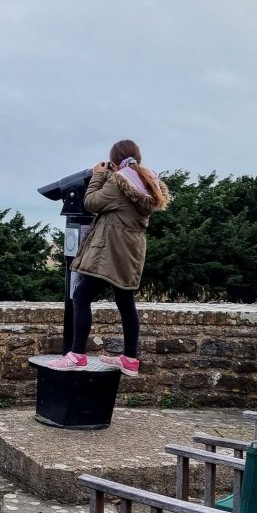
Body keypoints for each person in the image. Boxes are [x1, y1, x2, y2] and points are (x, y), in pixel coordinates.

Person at [48, 139, 169, 375]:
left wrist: (98, 175)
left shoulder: (119, 181)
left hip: (111, 250)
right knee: (126, 302)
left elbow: (91, 202)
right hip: (131, 250)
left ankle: (76, 355)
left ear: (114, 160)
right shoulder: (144, 180)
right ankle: (130, 359)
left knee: (81, 295)